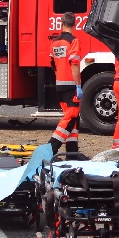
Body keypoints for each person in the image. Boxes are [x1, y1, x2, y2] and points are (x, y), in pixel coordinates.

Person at [49, 12, 81, 154]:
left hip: (60, 84)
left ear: (61, 23)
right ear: (75, 24)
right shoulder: (73, 41)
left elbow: (52, 63)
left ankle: (72, 151)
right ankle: (51, 147)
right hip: (71, 85)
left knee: (73, 119)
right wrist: (78, 85)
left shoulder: (54, 42)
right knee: (71, 117)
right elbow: (74, 64)